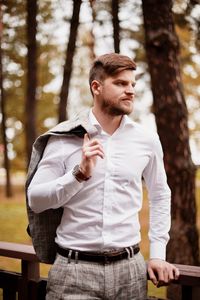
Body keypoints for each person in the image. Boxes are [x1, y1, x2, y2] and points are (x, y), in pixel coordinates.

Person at [27, 53, 179, 300]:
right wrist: (79, 174)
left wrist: (158, 255)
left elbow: (160, 195)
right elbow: (36, 199)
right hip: (74, 272)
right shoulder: (64, 138)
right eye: (120, 83)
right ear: (96, 87)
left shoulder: (146, 139)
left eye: (132, 84)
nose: (130, 91)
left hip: (130, 271)